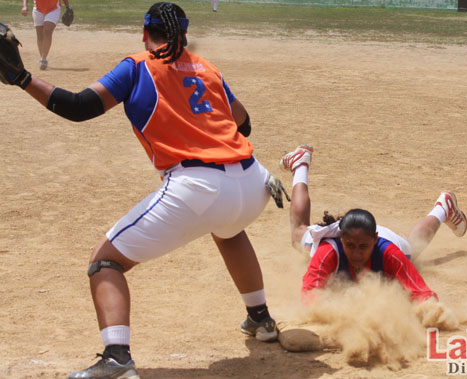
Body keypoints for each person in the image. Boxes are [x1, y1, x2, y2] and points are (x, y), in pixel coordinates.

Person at [2, 2, 282, 378]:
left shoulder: (137, 66)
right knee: (229, 231)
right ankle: (261, 320)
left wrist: (21, 78)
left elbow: (79, 107)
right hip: (253, 183)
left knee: (105, 261)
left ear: (145, 33)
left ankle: (117, 358)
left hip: (198, 185)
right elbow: (243, 125)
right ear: (184, 35)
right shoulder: (208, 68)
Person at [279, 144, 467, 302]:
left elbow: (424, 294)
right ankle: (300, 164)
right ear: (341, 239)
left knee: (412, 248)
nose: (357, 253)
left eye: (363, 247)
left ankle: (443, 208)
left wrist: (430, 311)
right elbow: (309, 296)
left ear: (375, 240)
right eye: (350, 245)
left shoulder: (389, 252)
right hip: (353, 232)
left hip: (386, 240)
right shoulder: (328, 252)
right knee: (298, 233)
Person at [21, 0, 71, 70]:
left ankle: (43, 59)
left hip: (54, 9)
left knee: (47, 31)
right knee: (40, 35)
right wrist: (24, 6)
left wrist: (67, 7)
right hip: (38, 9)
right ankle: (42, 57)